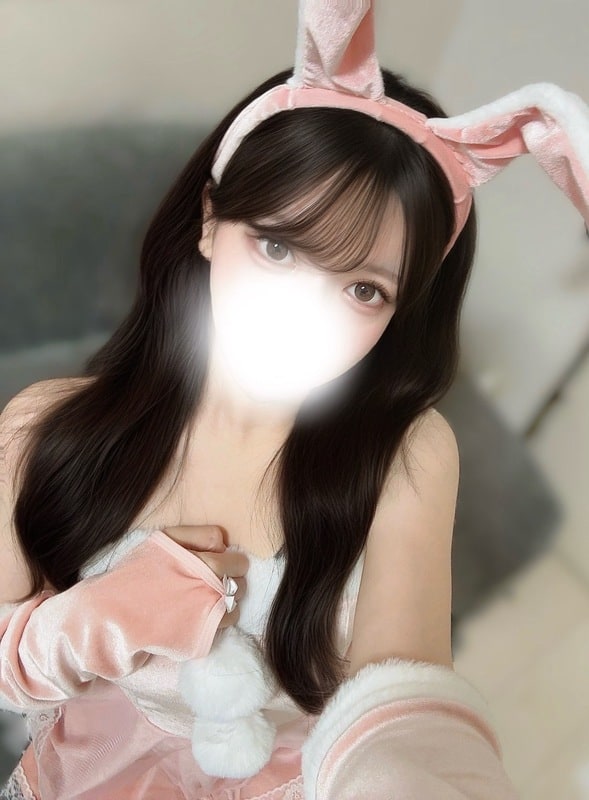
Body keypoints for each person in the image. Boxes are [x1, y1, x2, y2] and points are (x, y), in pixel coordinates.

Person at [1, 1, 588, 798]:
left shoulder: (404, 457)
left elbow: (407, 718)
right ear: (210, 221)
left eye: (362, 289)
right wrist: (96, 621)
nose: (303, 313)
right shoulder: (40, 428)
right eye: (277, 246)